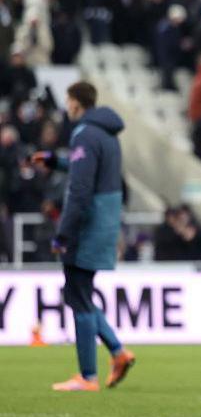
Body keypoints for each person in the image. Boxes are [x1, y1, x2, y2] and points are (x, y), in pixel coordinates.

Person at [39, 82, 135, 392]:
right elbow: (85, 169)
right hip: (105, 224)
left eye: (68, 99)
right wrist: (56, 162)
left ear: (77, 102)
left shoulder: (84, 133)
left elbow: (80, 190)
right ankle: (118, 353)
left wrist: (63, 233)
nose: (66, 105)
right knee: (80, 294)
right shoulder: (107, 134)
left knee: (79, 297)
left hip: (87, 227)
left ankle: (87, 376)